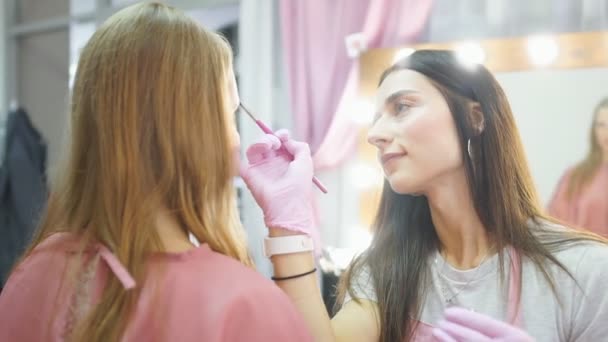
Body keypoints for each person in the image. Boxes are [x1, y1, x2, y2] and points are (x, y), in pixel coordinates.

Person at [240, 50, 608, 341]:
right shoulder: (383, 272)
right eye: (376, 118)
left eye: (401, 107)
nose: (375, 134)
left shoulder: (587, 271)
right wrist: (287, 226)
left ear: (475, 117)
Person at [0, 3, 313, 342]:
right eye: (229, 115)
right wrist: (290, 239)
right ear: (195, 134)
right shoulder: (247, 307)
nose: (237, 137)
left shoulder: (32, 277)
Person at [548, 97, 608, 237]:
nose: (606, 132)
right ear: (593, 129)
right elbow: (556, 222)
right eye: (601, 125)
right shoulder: (575, 175)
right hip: (585, 255)